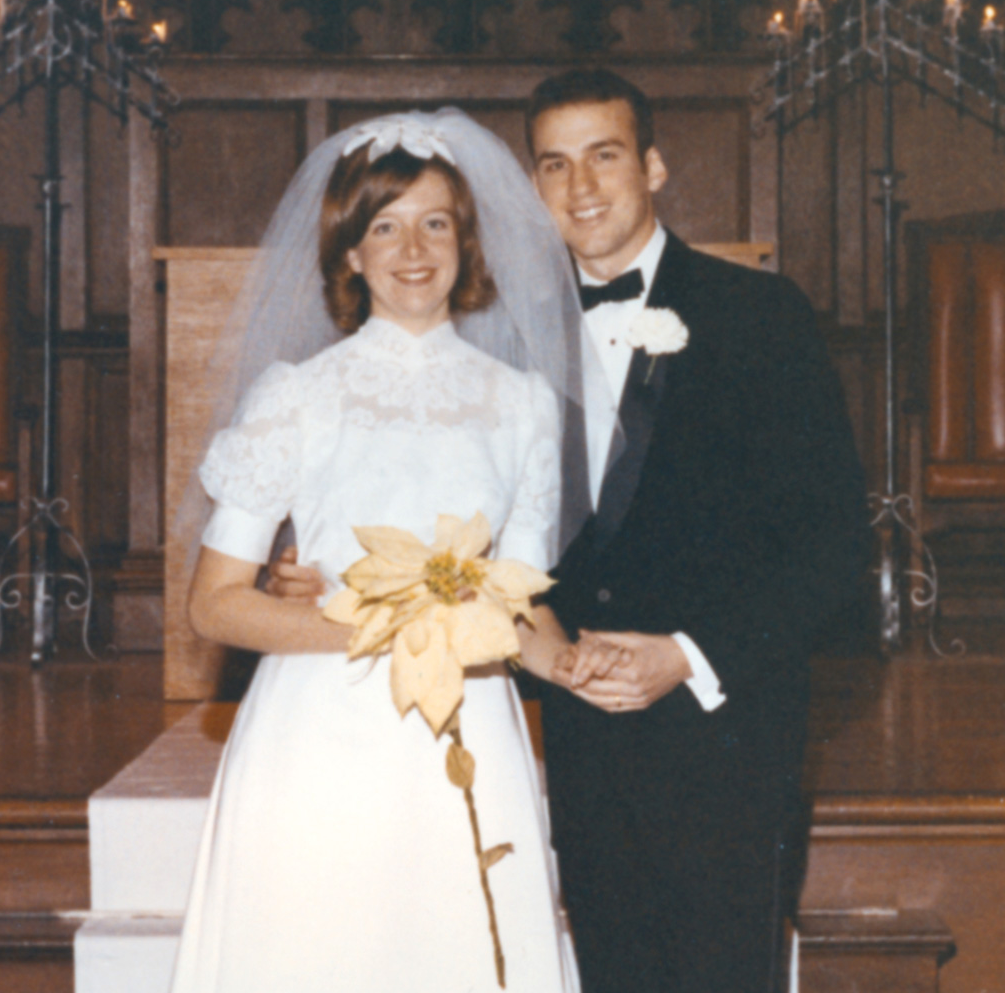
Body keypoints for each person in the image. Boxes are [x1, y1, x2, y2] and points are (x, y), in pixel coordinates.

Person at [270, 70, 871, 993]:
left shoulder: (762, 316)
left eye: (605, 157)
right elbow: (442, 527)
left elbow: (834, 553)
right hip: (580, 747)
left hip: (726, 738)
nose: (581, 188)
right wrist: (315, 571)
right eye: (555, 165)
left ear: (655, 166)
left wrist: (689, 655)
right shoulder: (491, 347)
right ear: (529, 185)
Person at [168, 110, 592, 993]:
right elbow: (214, 603)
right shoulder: (297, 396)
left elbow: (517, 600)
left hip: (469, 719)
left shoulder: (522, 404)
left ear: (465, 245)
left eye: (436, 222)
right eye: (383, 226)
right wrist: (379, 626)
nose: (412, 248)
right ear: (350, 254)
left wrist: (572, 665)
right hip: (323, 727)